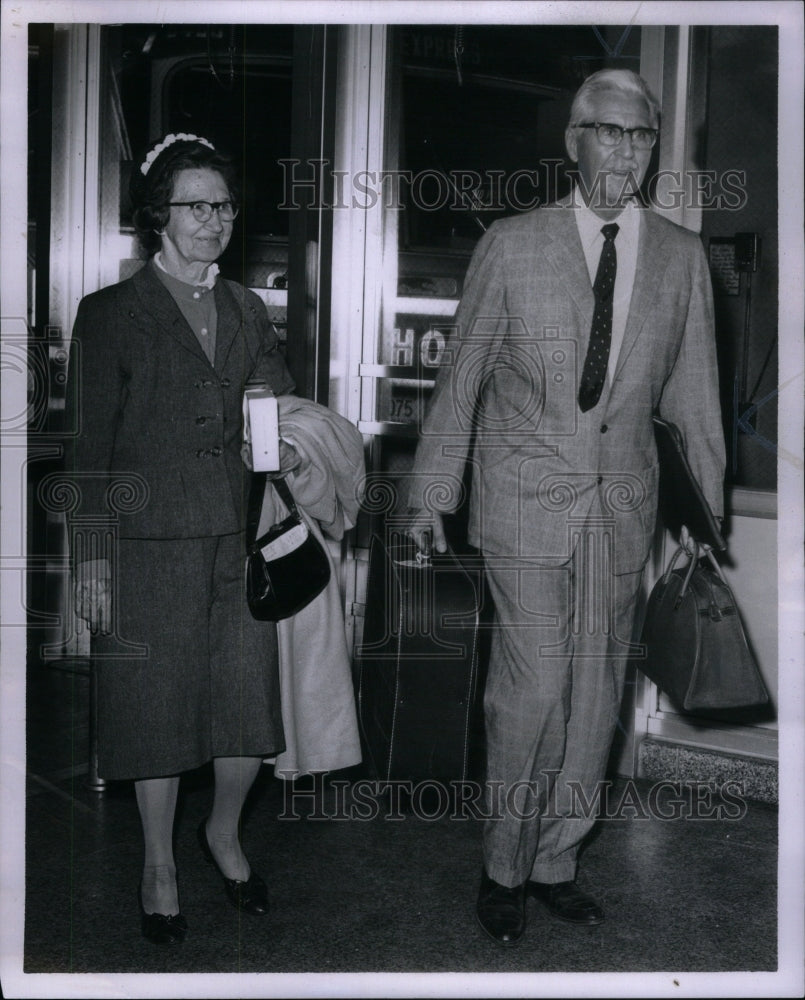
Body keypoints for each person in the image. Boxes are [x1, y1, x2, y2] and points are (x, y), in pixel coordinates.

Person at [405, 69, 726, 946]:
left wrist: (707, 524)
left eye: (640, 136)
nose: (626, 151)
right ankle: (502, 866)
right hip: (520, 502)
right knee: (531, 689)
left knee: (595, 698)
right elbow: (462, 377)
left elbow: (694, 396)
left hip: (623, 504)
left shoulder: (679, 256)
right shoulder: (511, 245)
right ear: (572, 140)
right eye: (610, 132)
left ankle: (555, 859)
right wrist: (431, 493)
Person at [64, 133, 299, 944]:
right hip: (146, 542)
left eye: (224, 205)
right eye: (196, 206)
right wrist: (90, 562)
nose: (214, 221)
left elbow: (277, 399)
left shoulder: (246, 308)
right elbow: (87, 454)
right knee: (154, 714)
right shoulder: (109, 316)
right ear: (157, 217)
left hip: (238, 539)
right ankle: (158, 863)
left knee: (244, 709)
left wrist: (287, 434)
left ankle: (223, 833)